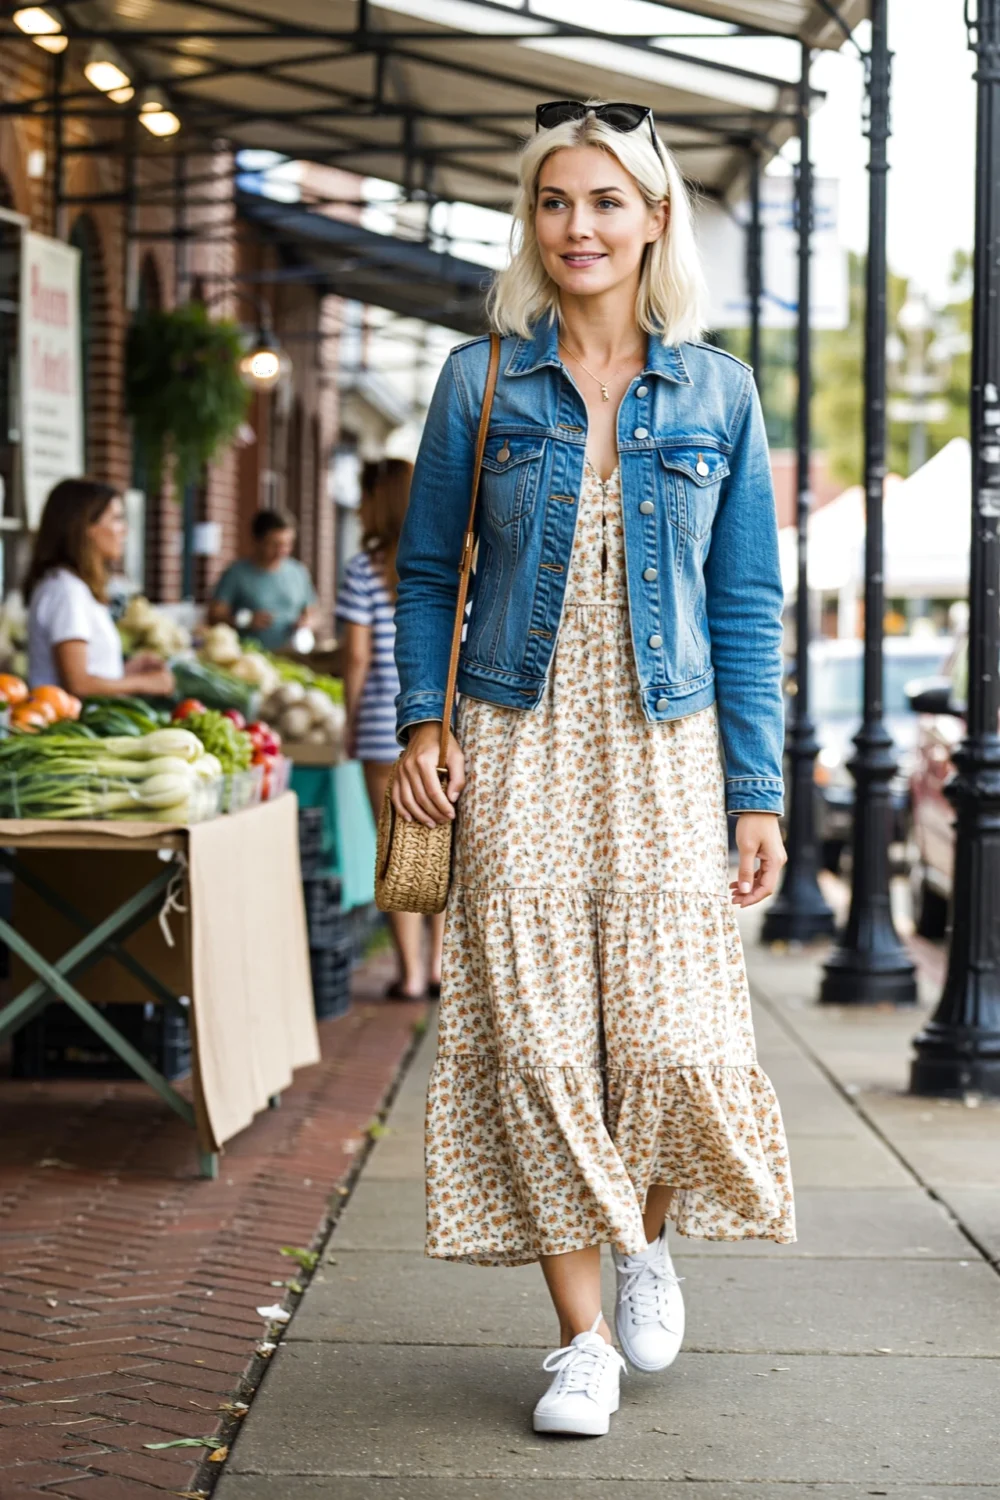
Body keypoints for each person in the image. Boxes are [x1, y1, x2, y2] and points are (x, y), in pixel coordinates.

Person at [391, 101, 794, 1438]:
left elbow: (744, 603)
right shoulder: (480, 382)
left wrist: (757, 790)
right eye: (556, 202)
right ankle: (579, 1345)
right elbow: (426, 570)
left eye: (606, 202)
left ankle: (644, 1240)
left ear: (655, 218)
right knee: (536, 1036)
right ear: (533, 221)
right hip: (515, 736)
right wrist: (422, 724)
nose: (579, 226)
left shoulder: (721, 390)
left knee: (675, 1038)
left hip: (667, 743)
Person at [337, 459, 444, 1001]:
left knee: (396, 849)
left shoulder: (363, 570)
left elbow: (356, 656)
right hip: (443, 726)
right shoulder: (450, 564)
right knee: (443, 844)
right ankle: (441, 965)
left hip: (383, 722)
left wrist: (349, 720)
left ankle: (408, 972)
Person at [26, 477, 174, 698]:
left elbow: (85, 672)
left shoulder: (72, 586)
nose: (124, 530)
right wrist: (146, 683)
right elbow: (78, 685)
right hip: (70, 726)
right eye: (116, 519)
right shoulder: (66, 592)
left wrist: (124, 672)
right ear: (86, 527)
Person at [209, 508, 319, 650]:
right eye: (275, 544)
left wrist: (307, 623)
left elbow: (312, 611)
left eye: (287, 544)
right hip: (249, 658)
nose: (282, 550)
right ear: (257, 541)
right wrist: (245, 620)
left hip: (293, 657)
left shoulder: (298, 572)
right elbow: (214, 615)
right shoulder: (236, 573)